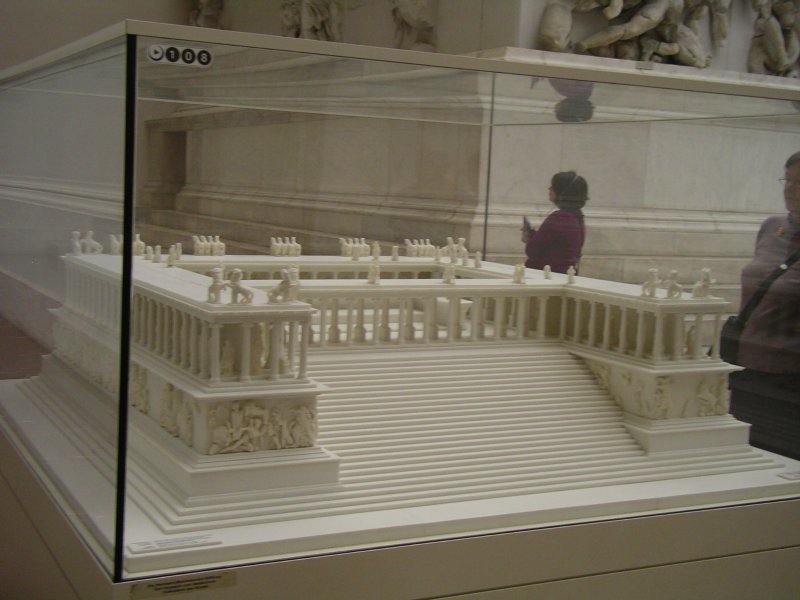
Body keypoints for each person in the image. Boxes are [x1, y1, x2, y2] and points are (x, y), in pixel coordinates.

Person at [729, 151, 800, 459]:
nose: (791, 189)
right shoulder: (772, 227)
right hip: (745, 366)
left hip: (789, 378)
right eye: (788, 180)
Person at [522, 171, 588, 274]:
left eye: (553, 187)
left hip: (546, 275)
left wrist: (529, 237)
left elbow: (532, 251)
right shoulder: (577, 216)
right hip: (562, 274)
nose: (549, 189)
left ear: (561, 192)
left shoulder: (559, 218)